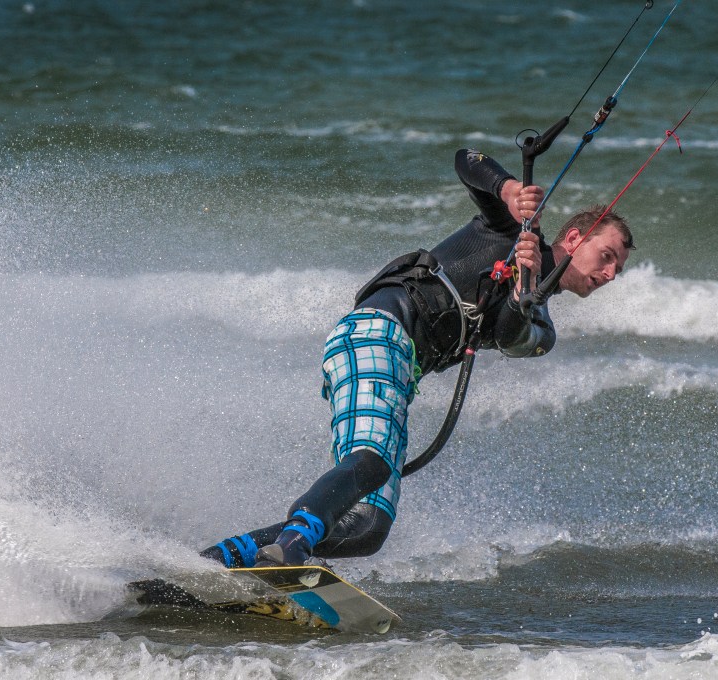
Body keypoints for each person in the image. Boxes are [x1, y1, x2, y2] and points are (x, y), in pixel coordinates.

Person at [201, 148, 634, 569]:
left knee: (368, 528)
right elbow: (468, 159)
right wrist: (509, 190)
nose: (611, 273)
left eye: (618, 269)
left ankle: (225, 559)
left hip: (398, 370)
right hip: (377, 333)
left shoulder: (541, 325)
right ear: (574, 239)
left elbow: (511, 335)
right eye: (607, 256)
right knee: (372, 461)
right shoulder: (509, 232)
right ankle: (293, 546)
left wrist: (524, 290)